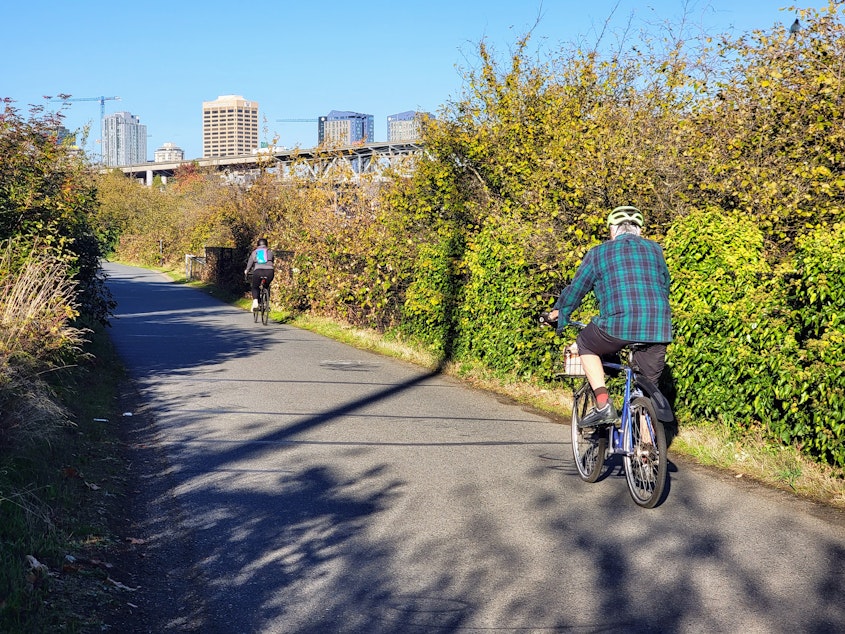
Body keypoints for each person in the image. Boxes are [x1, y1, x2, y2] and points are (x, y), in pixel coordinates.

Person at [546, 206, 672, 428]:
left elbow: (577, 289)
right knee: (647, 388)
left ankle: (603, 404)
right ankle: (645, 447)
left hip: (617, 324)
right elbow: (664, 283)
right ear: (638, 231)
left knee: (585, 342)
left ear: (613, 230)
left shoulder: (598, 253)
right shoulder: (655, 250)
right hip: (658, 326)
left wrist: (559, 312)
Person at [244, 238, 275, 311]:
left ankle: (255, 302)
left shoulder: (254, 252)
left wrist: (247, 271)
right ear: (266, 244)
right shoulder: (270, 252)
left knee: (255, 287)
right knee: (267, 286)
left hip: (258, 271)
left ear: (258, 245)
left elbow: (250, 263)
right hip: (269, 271)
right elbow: (272, 261)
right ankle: (267, 304)